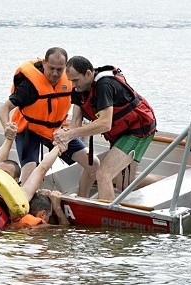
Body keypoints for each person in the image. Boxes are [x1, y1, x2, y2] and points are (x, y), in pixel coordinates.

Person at [54, 56, 157, 202]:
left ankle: (106, 217)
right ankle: (81, 201)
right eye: (70, 81)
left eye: (76, 80)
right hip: (120, 133)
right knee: (96, 168)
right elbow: (76, 121)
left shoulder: (104, 85)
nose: (73, 85)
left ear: (88, 74)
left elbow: (105, 123)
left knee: (104, 174)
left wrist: (71, 134)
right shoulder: (78, 90)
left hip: (137, 130)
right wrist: (65, 136)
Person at [0, 47, 98, 196]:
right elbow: (5, 108)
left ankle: (81, 199)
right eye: (51, 68)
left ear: (66, 68)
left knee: (93, 164)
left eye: (60, 69)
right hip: (29, 130)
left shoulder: (71, 81)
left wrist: (71, 131)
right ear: (44, 63)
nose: (55, 73)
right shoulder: (29, 86)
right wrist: (7, 126)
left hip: (57, 129)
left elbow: (78, 111)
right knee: (27, 180)